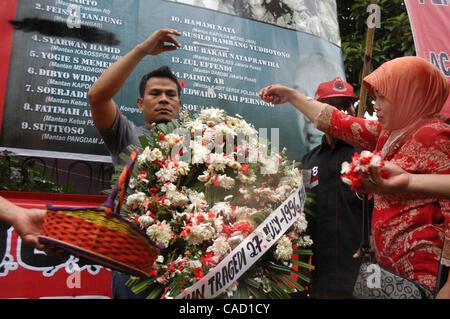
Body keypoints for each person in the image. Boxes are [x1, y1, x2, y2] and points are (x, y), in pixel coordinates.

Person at [259, 56, 450, 297]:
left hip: (422, 273)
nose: (375, 106)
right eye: (375, 98)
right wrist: (292, 96)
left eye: (383, 97)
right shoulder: (387, 134)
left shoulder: (432, 135)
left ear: (408, 95)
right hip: (389, 272)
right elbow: (337, 121)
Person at [88, 28, 183, 298]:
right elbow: (97, 97)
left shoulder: (199, 143)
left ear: (179, 104)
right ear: (140, 103)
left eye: (170, 94)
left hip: (187, 262)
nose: (164, 98)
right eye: (155, 94)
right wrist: (142, 50)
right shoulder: (126, 134)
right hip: (133, 263)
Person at [302, 77, 364, 298]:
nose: (341, 112)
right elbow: (304, 220)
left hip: (363, 273)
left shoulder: (367, 155)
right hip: (321, 276)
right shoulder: (309, 161)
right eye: (333, 106)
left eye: (346, 105)